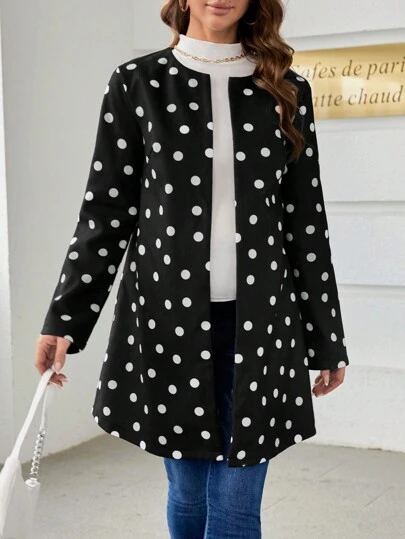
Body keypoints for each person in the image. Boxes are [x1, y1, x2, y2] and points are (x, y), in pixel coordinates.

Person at [35, 0, 349, 537]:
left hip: (262, 325)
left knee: (235, 506)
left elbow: (305, 223)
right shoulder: (137, 83)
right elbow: (106, 213)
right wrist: (64, 320)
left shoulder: (287, 88)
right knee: (186, 492)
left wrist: (326, 338)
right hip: (167, 322)